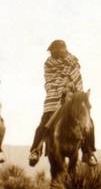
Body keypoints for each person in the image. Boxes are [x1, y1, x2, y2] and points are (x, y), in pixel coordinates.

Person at [29, 39, 96, 167]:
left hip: (74, 98)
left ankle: (88, 152)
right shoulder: (49, 64)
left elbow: (77, 80)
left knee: (88, 122)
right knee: (44, 123)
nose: (54, 53)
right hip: (54, 98)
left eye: (58, 49)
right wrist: (62, 87)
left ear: (64, 49)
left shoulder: (73, 62)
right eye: (53, 51)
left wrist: (73, 91)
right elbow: (50, 82)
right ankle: (36, 149)